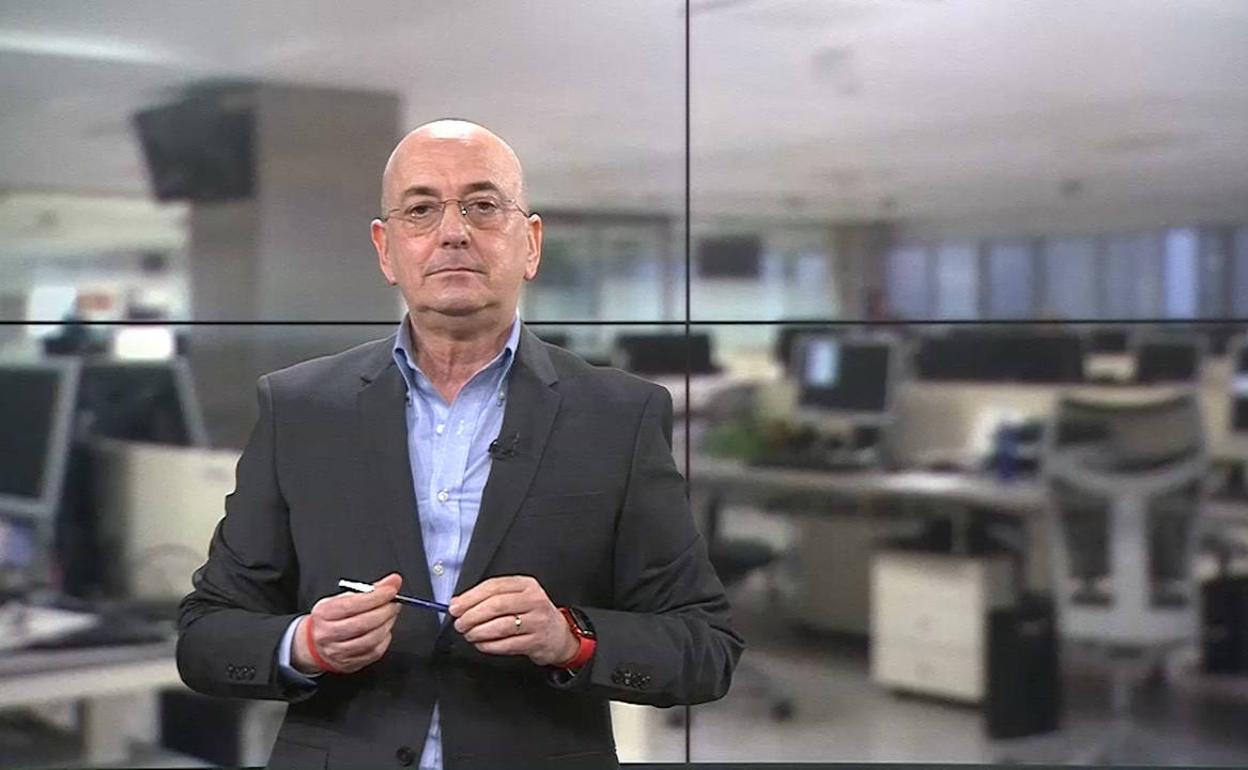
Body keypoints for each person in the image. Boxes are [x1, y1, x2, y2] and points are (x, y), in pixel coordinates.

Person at [176, 119, 743, 769]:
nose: (453, 232)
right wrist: (303, 644)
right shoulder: (300, 408)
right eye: (421, 210)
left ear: (530, 244)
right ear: (386, 250)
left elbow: (706, 646)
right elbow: (206, 634)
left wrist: (571, 637)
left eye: (483, 206)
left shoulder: (619, 416)